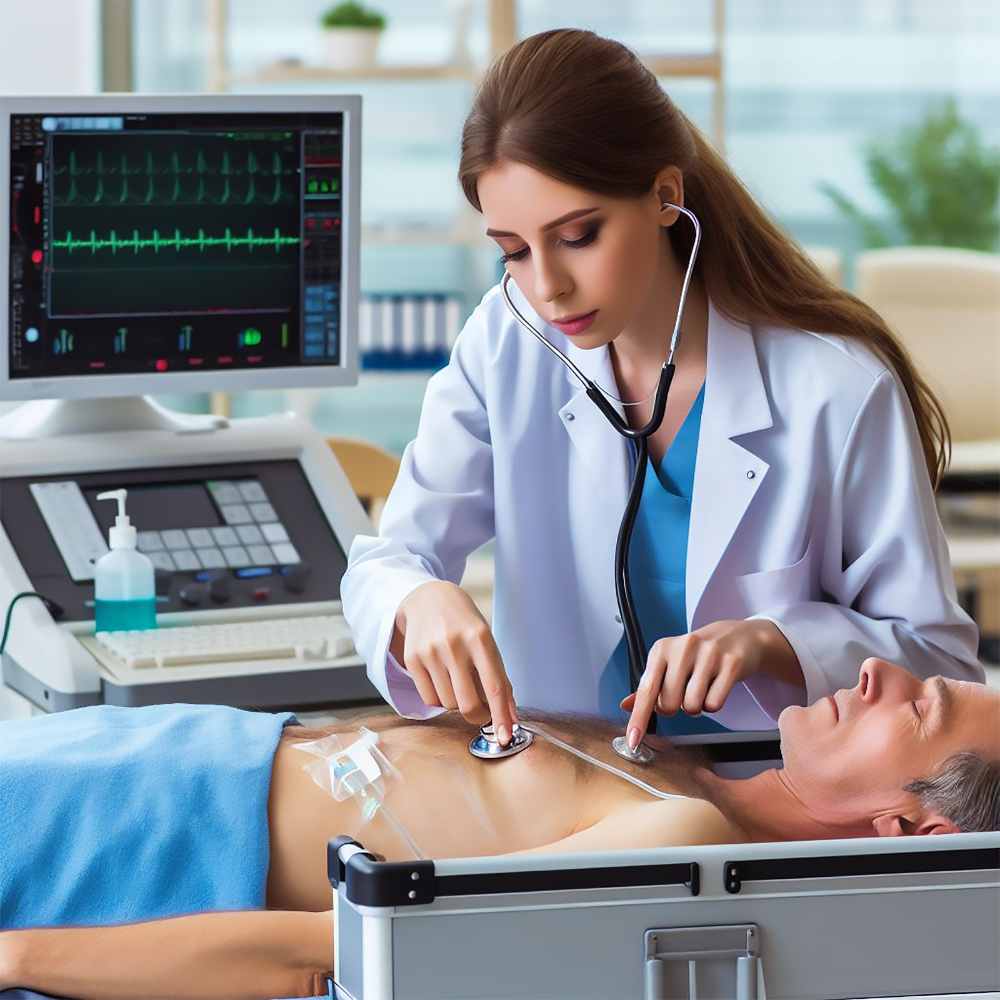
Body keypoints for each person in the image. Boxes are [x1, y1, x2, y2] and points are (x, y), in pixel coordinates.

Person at [341, 28, 982, 751]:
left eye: (579, 235)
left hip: (774, 793)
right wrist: (417, 600)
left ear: (665, 197)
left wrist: (773, 643)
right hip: (571, 783)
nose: (547, 287)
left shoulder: (835, 385)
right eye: (513, 252)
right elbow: (387, 560)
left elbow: (943, 671)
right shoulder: (506, 341)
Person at [1, 658, 997, 999]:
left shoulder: (678, 843)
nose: (878, 672)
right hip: (149, 765)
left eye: (914, 708)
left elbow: (323, 958)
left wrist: (14, 956)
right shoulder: (702, 770)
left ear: (904, 825)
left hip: (131, 840)